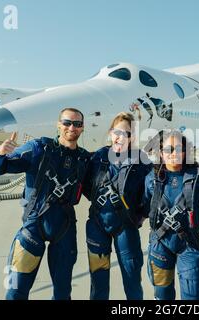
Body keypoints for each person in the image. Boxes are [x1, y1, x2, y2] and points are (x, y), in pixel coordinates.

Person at [0, 107, 90, 300]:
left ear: (82, 128)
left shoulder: (84, 159)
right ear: (59, 125)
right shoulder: (38, 149)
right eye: (67, 122)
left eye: (77, 124)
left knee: (63, 293)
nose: (71, 127)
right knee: (16, 291)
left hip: (64, 228)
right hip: (33, 227)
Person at [143, 130, 199, 300]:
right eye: (168, 149)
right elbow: (143, 208)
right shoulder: (152, 178)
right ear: (160, 153)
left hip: (188, 244)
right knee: (162, 295)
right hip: (160, 244)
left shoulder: (198, 177)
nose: (174, 153)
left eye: (179, 148)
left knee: (192, 297)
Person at [83, 112, 151, 300]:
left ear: (132, 138)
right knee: (98, 282)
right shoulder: (97, 158)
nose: (121, 137)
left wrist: (140, 215)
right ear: (110, 133)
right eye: (117, 132)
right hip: (98, 224)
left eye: (127, 133)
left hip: (126, 227)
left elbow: (150, 193)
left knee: (132, 281)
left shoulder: (142, 161)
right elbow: (86, 186)